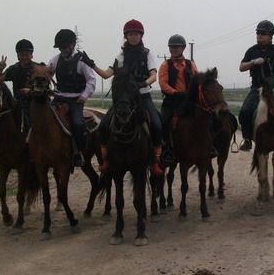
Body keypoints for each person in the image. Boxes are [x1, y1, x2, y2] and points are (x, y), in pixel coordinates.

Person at [80, 19, 163, 176]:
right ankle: (106, 160)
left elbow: (153, 75)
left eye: (136, 34)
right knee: (104, 125)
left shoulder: (147, 54)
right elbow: (106, 74)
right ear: (126, 36)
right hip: (124, 99)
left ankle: (156, 162)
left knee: (157, 124)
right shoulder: (121, 56)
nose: (133, 37)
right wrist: (92, 65)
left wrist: (142, 83)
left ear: (141, 36)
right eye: (130, 34)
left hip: (143, 97)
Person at [48, 29, 96, 167]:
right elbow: (47, 73)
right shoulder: (55, 60)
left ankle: (78, 152)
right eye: (60, 48)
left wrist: (84, 96)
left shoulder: (81, 61)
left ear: (72, 45)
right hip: (59, 98)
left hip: (76, 100)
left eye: (64, 47)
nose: (62, 50)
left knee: (77, 123)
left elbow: (91, 81)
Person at [238, 20, 274, 151]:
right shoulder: (252, 50)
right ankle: (247, 139)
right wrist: (253, 62)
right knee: (244, 111)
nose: (259, 36)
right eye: (258, 33)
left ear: (271, 35)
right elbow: (241, 67)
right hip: (257, 88)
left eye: (263, 33)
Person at [157, 34, 199, 163]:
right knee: (163, 122)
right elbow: (163, 83)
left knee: (207, 116)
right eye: (171, 47)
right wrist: (175, 93)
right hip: (172, 100)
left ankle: (209, 146)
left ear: (183, 48)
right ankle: (166, 149)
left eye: (176, 47)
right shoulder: (165, 65)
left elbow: (197, 80)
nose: (173, 49)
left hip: (189, 101)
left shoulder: (190, 64)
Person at [0, 38, 36, 134]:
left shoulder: (38, 69)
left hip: (34, 103)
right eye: (21, 55)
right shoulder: (13, 69)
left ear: (31, 55)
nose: (24, 57)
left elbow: (46, 89)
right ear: (18, 56)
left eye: (27, 54)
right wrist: (0, 69)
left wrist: (30, 92)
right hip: (17, 103)